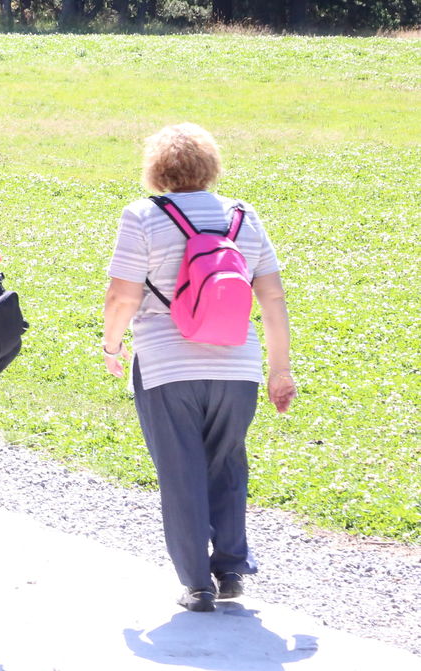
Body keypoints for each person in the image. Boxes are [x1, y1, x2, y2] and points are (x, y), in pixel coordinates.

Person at [102, 123, 295, 613]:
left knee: (180, 470)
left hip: (167, 365)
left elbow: (123, 295)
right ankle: (230, 569)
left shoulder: (143, 216)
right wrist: (279, 369)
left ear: (157, 168)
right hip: (239, 366)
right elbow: (271, 296)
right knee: (228, 461)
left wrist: (111, 345)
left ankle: (197, 584)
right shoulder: (243, 216)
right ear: (211, 166)